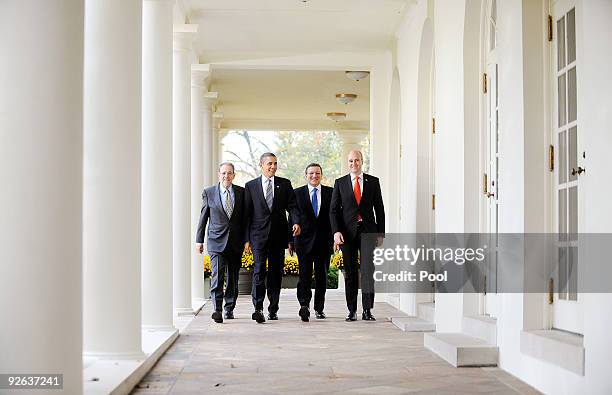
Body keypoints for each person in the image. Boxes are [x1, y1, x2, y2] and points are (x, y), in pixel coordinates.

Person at [244, 153, 301, 323]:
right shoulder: (251, 186)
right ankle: (258, 308)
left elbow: (293, 207)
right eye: (269, 163)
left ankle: (273, 309)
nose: (273, 167)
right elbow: (247, 214)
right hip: (258, 236)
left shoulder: (284, 184)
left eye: (275, 163)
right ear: (261, 165)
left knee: (275, 274)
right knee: (259, 270)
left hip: (278, 236)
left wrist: (296, 223)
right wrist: (246, 239)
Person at [330, 150, 385, 322]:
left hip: (368, 231)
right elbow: (333, 211)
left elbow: (380, 209)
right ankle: (352, 310)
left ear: (362, 161)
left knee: (368, 271)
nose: (354, 163)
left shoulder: (373, 182)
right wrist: (336, 232)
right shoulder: (340, 183)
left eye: (357, 160)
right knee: (351, 272)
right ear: (348, 163)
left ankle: (367, 310)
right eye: (351, 161)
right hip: (347, 233)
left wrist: (381, 233)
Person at [196, 162, 245, 323]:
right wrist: (199, 240)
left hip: (236, 243)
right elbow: (203, 217)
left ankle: (229, 309)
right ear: (219, 174)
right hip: (216, 242)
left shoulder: (242, 192)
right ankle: (217, 309)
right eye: (223, 173)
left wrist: (247, 240)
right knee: (217, 276)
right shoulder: (209, 192)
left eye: (229, 173)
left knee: (232, 278)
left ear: (234, 175)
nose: (226, 176)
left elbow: (246, 220)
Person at [289, 163, 334, 322]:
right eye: (311, 173)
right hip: (303, 241)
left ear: (321, 175)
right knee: (304, 277)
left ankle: (319, 309)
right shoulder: (297, 193)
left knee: (322, 278)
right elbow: (292, 216)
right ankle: (304, 306)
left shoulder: (331, 192)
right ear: (306, 175)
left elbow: (334, 217)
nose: (314, 176)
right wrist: (290, 240)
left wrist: (335, 237)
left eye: (317, 173)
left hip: (324, 242)